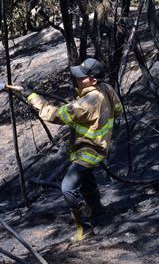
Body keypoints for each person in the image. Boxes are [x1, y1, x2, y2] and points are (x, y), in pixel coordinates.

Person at [25, 58, 123, 241]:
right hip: (100, 145)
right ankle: (97, 211)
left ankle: (84, 228)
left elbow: (56, 115)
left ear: (93, 80)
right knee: (86, 179)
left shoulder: (91, 100)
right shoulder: (107, 89)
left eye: (82, 77)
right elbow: (117, 109)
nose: (77, 79)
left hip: (90, 150)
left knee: (68, 188)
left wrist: (34, 99)